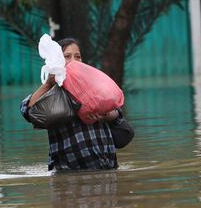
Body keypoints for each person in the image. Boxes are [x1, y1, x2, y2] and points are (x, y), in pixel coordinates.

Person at [20, 38, 133, 171]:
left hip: (107, 170)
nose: (74, 61)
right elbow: (27, 111)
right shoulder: (53, 93)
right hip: (69, 176)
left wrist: (105, 115)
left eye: (78, 57)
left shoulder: (94, 87)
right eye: (67, 57)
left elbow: (118, 117)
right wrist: (48, 84)